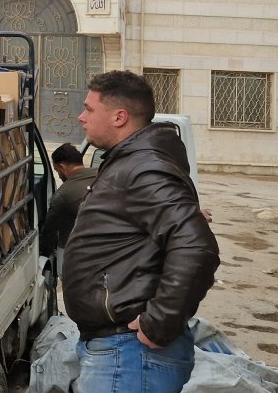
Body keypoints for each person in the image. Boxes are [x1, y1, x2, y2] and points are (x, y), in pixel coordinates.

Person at [62, 70, 219, 393]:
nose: (81, 117)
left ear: (119, 117)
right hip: (122, 352)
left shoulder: (143, 168)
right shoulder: (131, 163)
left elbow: (195, 246)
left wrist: (159, 322)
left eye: (89, 109)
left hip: (131, 354)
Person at [39, 142, 97, 264]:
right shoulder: (104, 173)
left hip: (75, 251)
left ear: (62, 167)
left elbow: (50, 230)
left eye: (57, 171)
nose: (59, 176)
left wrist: (43, 253)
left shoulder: (62, 194)